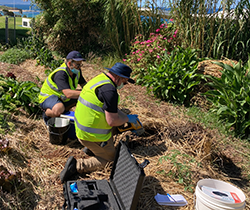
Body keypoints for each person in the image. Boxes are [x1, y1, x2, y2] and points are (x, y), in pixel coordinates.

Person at [60, 62, 139, 182]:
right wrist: (128, 119)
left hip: (81, 129)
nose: (124, 85)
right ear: (118, 77)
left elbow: (110, 109)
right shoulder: (110, 92)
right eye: (124, 82)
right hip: (91, 135)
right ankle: (77, 166)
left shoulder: (99, 80)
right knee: (110, 160)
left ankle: (92, 148)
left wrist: (125, 116)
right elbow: (112, 120)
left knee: (119, 123)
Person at [39, 51, 87, 124]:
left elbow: (85, 85)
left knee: (83, 98)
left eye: (81, 65)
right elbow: (68, 94)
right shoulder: (61, 74)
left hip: (61, 97)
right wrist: (85, 93)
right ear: (69, 63)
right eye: (78, 65)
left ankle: (63, 111)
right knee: (59, 108)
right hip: (48, 97)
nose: (79, 67)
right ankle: (46, 113)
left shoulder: (76, 71)